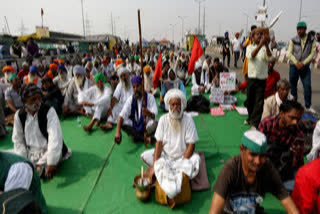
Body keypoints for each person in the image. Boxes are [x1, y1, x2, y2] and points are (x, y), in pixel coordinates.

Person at [209, 130, 299, 214]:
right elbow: (214, 210)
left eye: (262, 156)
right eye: (253, 154)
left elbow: (286, 200)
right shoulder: (230, 168)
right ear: (242, 149)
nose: (258, 161)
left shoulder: (267, 167)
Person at [141, 89, 200, 201]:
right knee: (146, 155)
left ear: (182, 105)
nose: (176, 107)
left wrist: (183, 161)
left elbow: (191, 145)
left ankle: (169, 176)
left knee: (196, 160)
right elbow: (159, 143)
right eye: (173, 104)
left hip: (183, 158)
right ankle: (169, 174)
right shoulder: (163, 120)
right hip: (166, 157)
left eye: (178, 104)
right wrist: (154, 164)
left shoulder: (188, 120)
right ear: (169, 106)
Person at [12, 84, 71, 180]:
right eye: (33, 99)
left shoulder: (49, 111)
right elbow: (18, 140)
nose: (37, 102)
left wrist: (51, 161)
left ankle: (40, 168)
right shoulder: (19, 115)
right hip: (30, 153)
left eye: (39, 98)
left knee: (53, 157)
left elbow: (55, 137)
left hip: (48, 151)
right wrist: (24, 160)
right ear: (24, 101)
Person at [258, 100, 304, 190]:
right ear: (282, 113)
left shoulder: (298, 134)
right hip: (263, 166)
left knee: (300, 185)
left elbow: (297, 163)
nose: (295, 122)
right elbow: (255, 151)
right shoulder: (266, 124)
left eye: (298, 119)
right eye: (292, 118)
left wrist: (294, 153)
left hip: (283, 171)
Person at [114, 75, 158, 144]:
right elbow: (121, 116)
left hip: (146, 125)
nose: (136, 89)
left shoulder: (150, 97)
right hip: (135, 125)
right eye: (134, 87)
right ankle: (144, 138)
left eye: (138, 86)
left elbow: (154, 115)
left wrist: (148, 112)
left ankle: (136, 136)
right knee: (122, 123)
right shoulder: (131, 99)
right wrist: (117, 132)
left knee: (155, 123)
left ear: (142, 86)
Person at [246, 27, 272, 128]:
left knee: (259, 102)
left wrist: (266, 45)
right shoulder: (249, 47)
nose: (260, 36)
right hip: (251, 78)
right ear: (253, 37)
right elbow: (252, 55)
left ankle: (255, 123)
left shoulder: (265, 48)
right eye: (258, 34)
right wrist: (261, 45)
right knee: (250, 101)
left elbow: (270, 58)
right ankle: (250, 117)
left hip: (262, 79)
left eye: (262, 34)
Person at [288, 21, 316, 112]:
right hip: (294, 66)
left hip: (305, 67)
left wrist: (303, 63)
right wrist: (296, 63)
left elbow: (312, 54)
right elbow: (289, 54)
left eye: (301, 29)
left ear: (305, 29)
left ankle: (308, 106)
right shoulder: (293, 39)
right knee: (293, 85)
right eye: (298, 29)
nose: (299, 31)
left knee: (307, 86)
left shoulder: (311, 40)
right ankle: (294, 104)